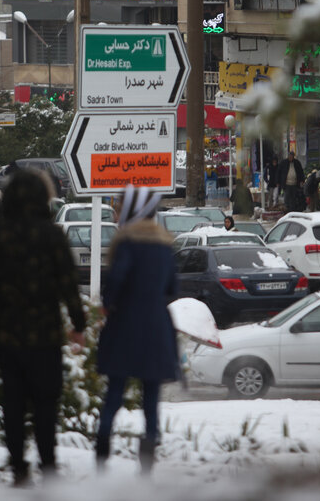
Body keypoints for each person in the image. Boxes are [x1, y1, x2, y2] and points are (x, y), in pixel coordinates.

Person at [0, 169, 86, 486]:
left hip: (8, 335)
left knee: (14, 402)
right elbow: (68, 284)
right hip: (46, 335)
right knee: (46, 402)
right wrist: (78, 324)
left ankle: (19, 468)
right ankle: (48, 466)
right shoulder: (52, 236)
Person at [96, 185, 179, 476]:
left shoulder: (127, 243)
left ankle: (102, 453)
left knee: (115, 392)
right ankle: (147, 463)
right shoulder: (165, 246)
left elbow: (117, 279)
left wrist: (108, 304)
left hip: (126, 326)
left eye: (120, 207)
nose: (117, 213)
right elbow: (172, 289)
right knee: (151, 397)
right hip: (156, 327)